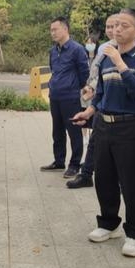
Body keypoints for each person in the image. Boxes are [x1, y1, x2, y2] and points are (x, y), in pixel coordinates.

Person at [72, 9, 135, 257]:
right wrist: (90, 111)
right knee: (104, 178)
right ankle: (109, 223)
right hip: (103, 124)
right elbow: (101, 92)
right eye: (115, 25)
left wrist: (121, 63)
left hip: (128, 125)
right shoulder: (107, 56)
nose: (117, 30)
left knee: (130, 182)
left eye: (124, 26)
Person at [67, 14, 118, 189]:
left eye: (115, 26)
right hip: (99, 102)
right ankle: (87, 174)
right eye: (108, 26)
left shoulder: (130, 49)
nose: (111, 30)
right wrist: (90, 88)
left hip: (118, 109)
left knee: (116, 149)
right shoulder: (104, 47)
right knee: (94, 140)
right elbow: (96, 73)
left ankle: (117, 181)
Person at [40, 16, 89, 178]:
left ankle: (74, 164)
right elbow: (54, 70)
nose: (52, 33)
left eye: (55, 29)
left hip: (70, 97)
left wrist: (75, 87)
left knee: (74, 131)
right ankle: (58, 161)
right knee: (57, 131)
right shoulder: (53, 50)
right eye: (51, 30)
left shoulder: (77, 49)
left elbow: (84, 74)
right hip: (55, 96)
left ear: (65, 29)